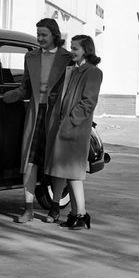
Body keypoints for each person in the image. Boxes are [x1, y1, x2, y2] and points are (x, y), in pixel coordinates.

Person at [2, 18, 73, 223]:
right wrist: (7, 97)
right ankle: (28, 209)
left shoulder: (68, 58)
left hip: (57, 115)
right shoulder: (30, 57)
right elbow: (24, 87)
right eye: (38, 34)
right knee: (29, 161)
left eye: (44, 35)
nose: (40, 38)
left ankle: (54, 208)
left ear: (54, 35)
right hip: (34, 113)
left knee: (56, 162)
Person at [48, 34, 103, 230]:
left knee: (73, 173)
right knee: (68, 173)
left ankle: (81, 214)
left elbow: (88, 102)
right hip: (67, 127)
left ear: (86, 50)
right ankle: (75, 214)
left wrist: (70, 121)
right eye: (71, 47)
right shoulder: (76, 70)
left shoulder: (93, 72)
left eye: (75, 48)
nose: (72, 51)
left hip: (76, 130)